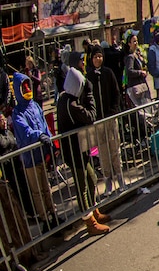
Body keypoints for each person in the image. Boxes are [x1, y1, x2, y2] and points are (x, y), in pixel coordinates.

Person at [56, 68, 110, 237]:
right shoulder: (71, 104)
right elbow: (90, 116)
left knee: (92, 178)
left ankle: (94, 210)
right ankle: (89, 222)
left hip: (79, 148)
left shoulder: (64, 98)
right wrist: (89, 94)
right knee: (82, 186)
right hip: (74, 151)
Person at [11, 72, 58, 229]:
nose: (27, 89)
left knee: (46, 187)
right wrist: (40, 135)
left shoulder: (36, 105)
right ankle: (45, 219)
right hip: (30, 158)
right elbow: (25, 132)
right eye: (23, 87)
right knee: (37, 191)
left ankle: (53, 213)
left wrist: (50, 140)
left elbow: (44, 124)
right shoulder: (17, 112)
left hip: (41, 154)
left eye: (27, 85)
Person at [85, 44, 125, 195]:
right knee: (103, 152)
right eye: (95, 57)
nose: (98, 59)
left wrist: (113, 111)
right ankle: (108, 180)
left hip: (110, 118)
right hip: (98, 121)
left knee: (115, 148)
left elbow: (116, 93)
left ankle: (120, 178)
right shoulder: (88, 77)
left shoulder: (108, 73)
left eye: (100, 56)